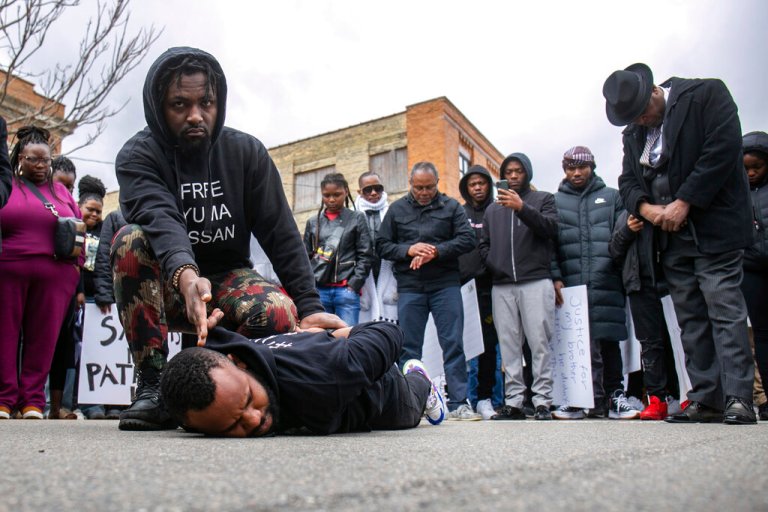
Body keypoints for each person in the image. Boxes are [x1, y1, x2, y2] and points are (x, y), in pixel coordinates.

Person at [113, 47, 343, 431]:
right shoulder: (138, 156)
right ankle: (153, 385)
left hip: (226, 278)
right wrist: (186, 276)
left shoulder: (246, 152)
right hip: (167, 283)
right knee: (130, 241)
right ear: (158, 106)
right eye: (180, 104)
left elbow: (281, 233)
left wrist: (308, 305)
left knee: (276, 310)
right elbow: (161, 219)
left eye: (206, 103)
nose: (195, 115)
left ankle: (234, 390)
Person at [603, 63, 756, 424]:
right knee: (690, 319)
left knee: (724, 309)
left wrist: (684, 201)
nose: (641, 122)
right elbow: (628, 181)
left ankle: (738, 397)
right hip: (670, 239)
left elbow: (721, 150)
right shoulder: (634, 133)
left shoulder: (706, 94)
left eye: (643, 114)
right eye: (634, 119)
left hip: (713, 229)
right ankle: (706, 397)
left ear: (655, 91)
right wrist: (647, 209)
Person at [160, 321, 446, 436]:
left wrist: (335, 335)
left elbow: (389, 332)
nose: (254, 419)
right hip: (326, 356)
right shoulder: (213, 373)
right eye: (231, 426)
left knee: (410, 409)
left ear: (240, 364)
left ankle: (422, 381)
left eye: (248, 399)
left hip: (382, 387)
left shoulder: (321, 380)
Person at [377, 161, 480, 420]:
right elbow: (381, 245)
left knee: (453, 343)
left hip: (445, 285)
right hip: (410, 287)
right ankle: (410, 403)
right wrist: (408, 250)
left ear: (437, 184)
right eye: (419, 188)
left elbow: (468, 239)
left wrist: (437, 251)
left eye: (429, 188)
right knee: (409, 348)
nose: (424, 193)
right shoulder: (397, 209)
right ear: (410, 184)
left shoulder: (452, 207)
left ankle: (459, 403)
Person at [550, 146, 638, 420]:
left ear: (592, 167)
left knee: (609, 340)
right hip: (570, 284)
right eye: (571, 168)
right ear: (564, 170)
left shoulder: (612, 196)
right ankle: (577, 400)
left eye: (582, 167)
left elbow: (621, 238)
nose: (576, 173)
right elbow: (548, 243)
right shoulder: (555, 201)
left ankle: (614, 396)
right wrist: (555, 276)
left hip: (606, 279)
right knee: (575, 343)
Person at [0, 126, 82, 420]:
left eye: (45, 160)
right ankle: (4, 399)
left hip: (55, 276)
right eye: (33, 159)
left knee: (43, 339)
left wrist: (75, 270)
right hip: (8, 271)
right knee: (5, 335)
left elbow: (79, 231)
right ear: (19, 158)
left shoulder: (61, 192)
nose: (40, 166)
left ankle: (32, 401)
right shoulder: (7, 185)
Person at [478, 153, 558, 421]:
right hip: (502, 285)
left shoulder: (543, 199)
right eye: (508, 171)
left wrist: (521, 207)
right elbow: (484, 244)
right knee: (509, 346)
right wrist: (494, 263)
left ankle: (542, 401)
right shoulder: (493, 209)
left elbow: (551, 229)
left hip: (536, 280)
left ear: (528, 173)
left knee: (539, 343)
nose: (513, 176)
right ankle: (513, 402)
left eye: (518, 171)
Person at [609, 210, 681, 420]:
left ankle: (684, 395)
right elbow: (614, 251)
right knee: (649, 344)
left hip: (674, 283)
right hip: (639, 284)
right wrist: (627, 231)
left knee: (679, 342)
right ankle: (657, 397)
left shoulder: (671, 208)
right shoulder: (625, 215)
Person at [458, 164, 502, 420]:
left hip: (490, 287)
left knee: (488, 346)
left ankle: (485, 398)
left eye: (481, 183)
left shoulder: (498, 210)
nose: (477, 188)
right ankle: (461, 399)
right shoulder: (458, 212)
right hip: (461, 287)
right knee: (461, 347)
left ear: (489, 185)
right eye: (472, 184)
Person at [303, 173, 373, 326]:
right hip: (319, 291)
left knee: (346, 337)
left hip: (346, 291)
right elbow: (305, 258)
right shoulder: (313, 222)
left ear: (346, 192)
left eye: (336, 194)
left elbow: (366, 254)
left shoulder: (357, 218)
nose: (331, 199)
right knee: (320, 337)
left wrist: (354, 284)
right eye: (326, 195)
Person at [741, 131, 768, 420]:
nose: (750, 173)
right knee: (761, 333)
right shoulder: (736, 193)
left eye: (757, 167)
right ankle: (766, 399)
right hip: (749, 267)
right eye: (745, 168)